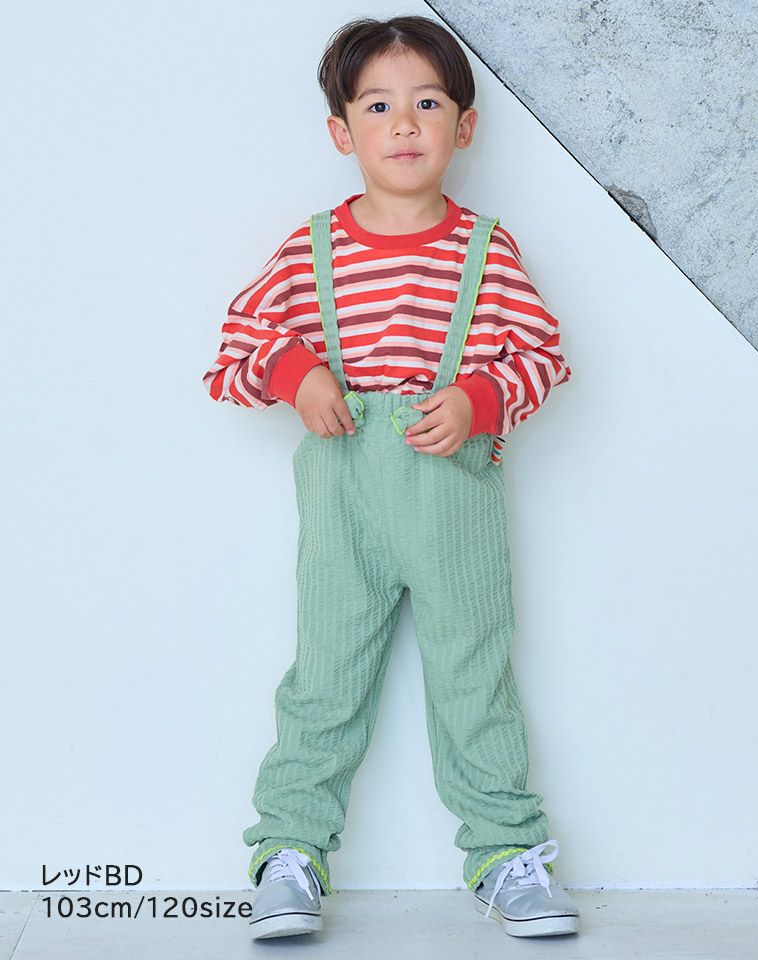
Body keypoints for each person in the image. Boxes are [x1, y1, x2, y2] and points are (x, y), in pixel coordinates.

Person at [201, 14, 580, 941]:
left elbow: (544, 356)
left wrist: (480, 398)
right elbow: (232, 357)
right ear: (342, 133)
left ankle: (505, 852)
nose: (404, 123)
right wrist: (298, 374)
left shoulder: (488, 250)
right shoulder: (309, 252)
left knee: (474, 676)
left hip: (453, 499)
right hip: (346, 500)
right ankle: (289, 850)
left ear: (464, 126)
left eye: (428, 104)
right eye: (378, 106)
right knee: (324, 678)